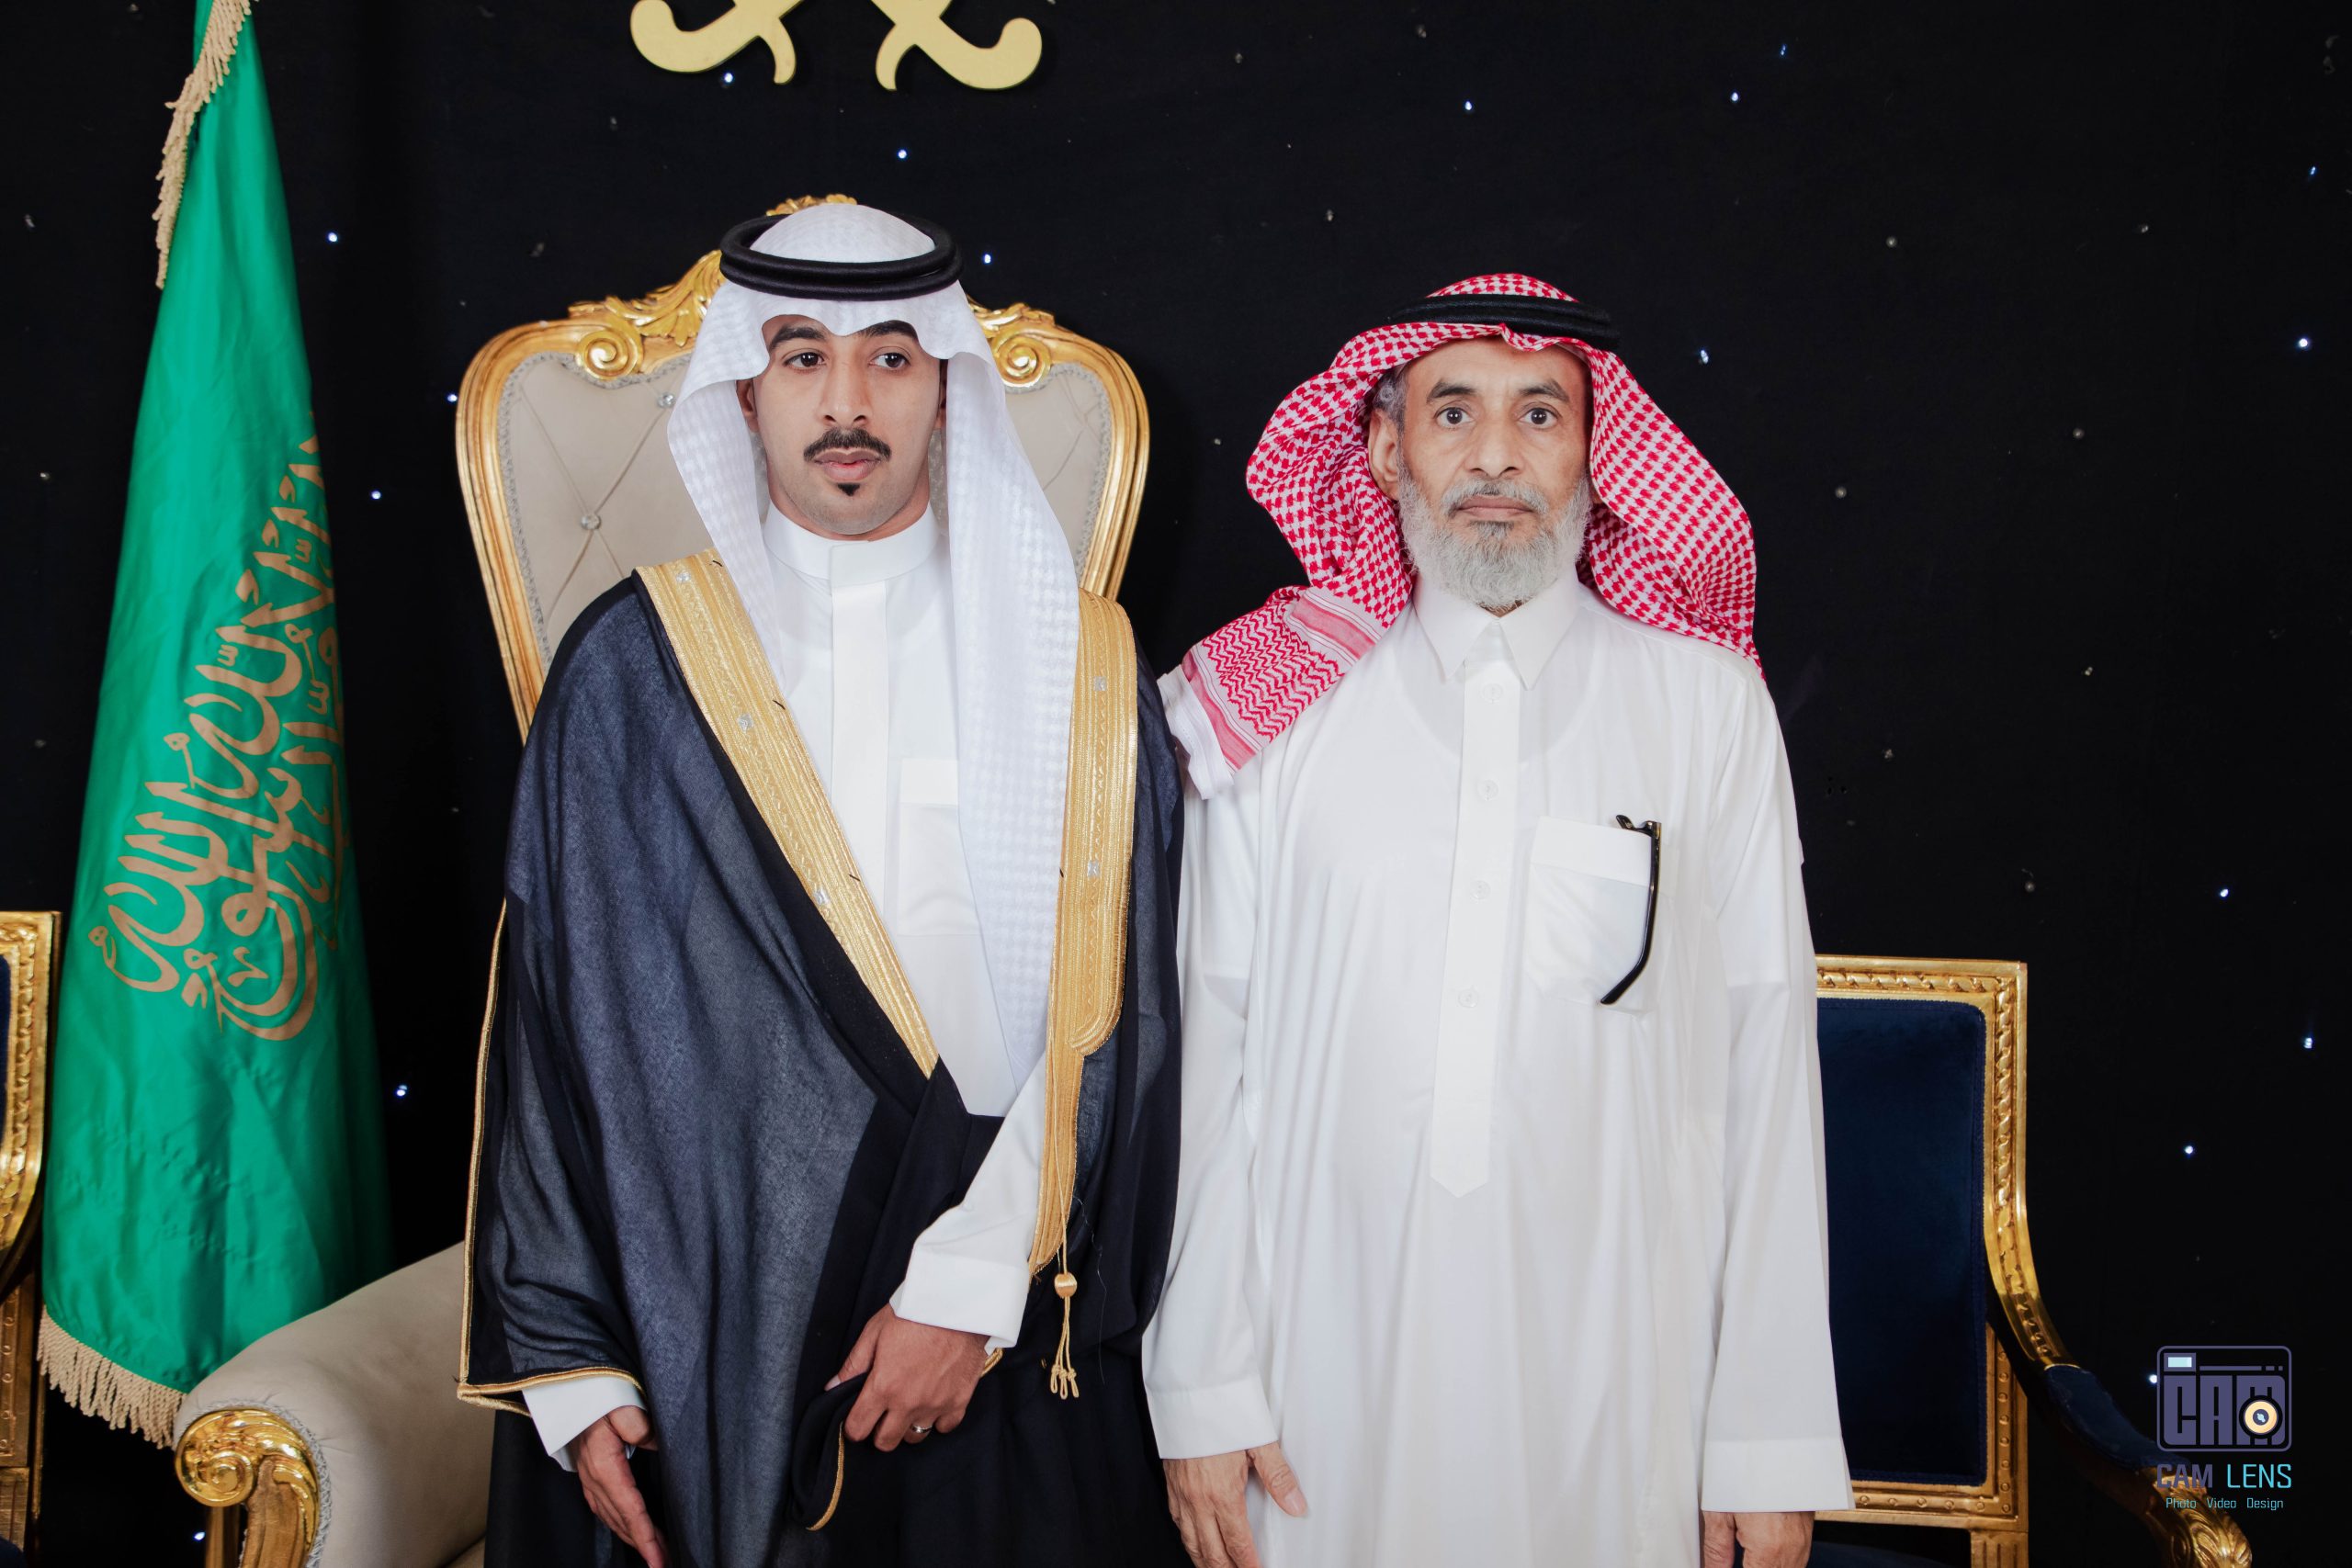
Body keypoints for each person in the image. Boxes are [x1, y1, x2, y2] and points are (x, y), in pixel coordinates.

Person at [458, 200, 1188, 1568]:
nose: (847, 403)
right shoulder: (632, 667)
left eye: (892, 358)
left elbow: (1129, 1011)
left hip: (997, 1288)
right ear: (745, 388)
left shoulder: (1079, 666)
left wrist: (970, 1289)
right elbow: (554, 1021)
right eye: (802, 356)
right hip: (704, 1304)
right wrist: (570, 1360)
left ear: (945, 388)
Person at [1143, 276, 1849, 1568]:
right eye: (1453, 411)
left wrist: (1765, 1441)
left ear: (1595, 455)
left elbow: (1766, 1073)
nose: (1495, 457)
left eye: (1540, 414)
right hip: (1315, 1380)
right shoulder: (1272, 709)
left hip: (1625, 1384)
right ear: (1385, 450)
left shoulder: (1706, 708)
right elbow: (1206, 1061)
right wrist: (1201, 1382)